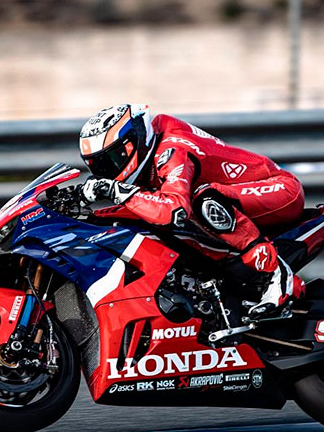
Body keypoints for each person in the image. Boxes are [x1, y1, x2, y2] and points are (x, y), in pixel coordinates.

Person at [78, 104, 305, 319]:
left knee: (205, 199)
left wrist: (116, 190)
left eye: (112, 160)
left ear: (135, 139)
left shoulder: (171, 148)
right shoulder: (150, 154)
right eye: (98, 166)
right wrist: (89, 214)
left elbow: (173, 209)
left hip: (281, 190)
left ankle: (276, 273)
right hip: (237, 205)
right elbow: (143, 205)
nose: (107, 172)